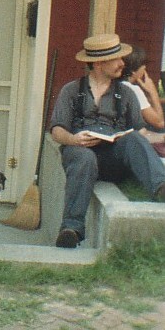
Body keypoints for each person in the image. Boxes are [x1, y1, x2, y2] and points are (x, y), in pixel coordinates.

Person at [49, 33, 165, 249]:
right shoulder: (71, 90)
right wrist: (73, 139)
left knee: (133, 138)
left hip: (113, 159)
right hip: (80, 155)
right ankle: (71, 229)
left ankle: (161, 187)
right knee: (84, 157)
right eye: (116, 59)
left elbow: (142, 133)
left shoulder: (126, 93)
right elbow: (57, 130)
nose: (122, 64)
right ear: (99, 63)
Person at [120, 45, 164, 131]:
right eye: (144, 67)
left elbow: (144, 102)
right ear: (133, 71)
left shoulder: (117, 84)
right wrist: (153, 92)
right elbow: (160, 123)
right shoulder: (133, 89)